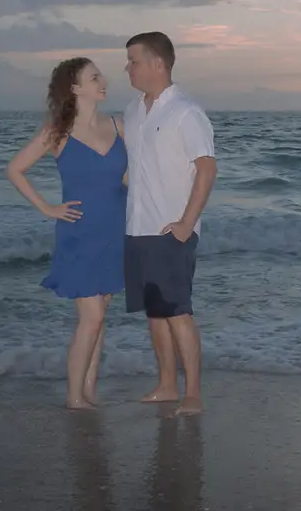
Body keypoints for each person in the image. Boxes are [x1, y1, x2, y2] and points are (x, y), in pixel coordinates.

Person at [6, 56, 128, 410]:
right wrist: (47, 208)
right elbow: (15, 170)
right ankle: (74, 396)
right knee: (93, 317)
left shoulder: (119, 126)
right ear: (75, 89)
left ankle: (89, 391)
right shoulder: (56, 133)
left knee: (101, 316)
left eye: (100, 76)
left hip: (115, 230)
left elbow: (124, 179)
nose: (103, 81)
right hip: (80, 233)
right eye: (94, 77)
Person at [121, 31, 217, 415]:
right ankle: (166, 385)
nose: (127, 68)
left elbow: (206, 170)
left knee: (178, 312)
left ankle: (192, 392)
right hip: (137, 227)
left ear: (158, 64)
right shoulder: (133, 111)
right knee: (155, 312)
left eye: (133, 60)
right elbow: (134, 170)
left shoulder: (186, 111)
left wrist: (186, 223)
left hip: (170, 230)